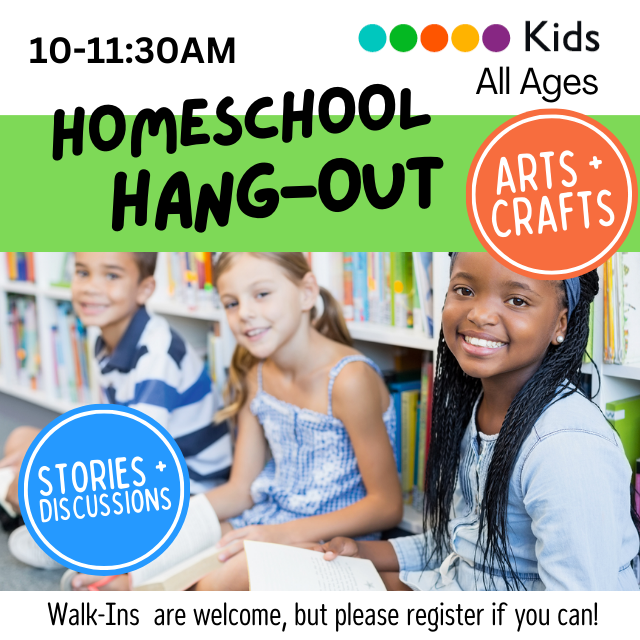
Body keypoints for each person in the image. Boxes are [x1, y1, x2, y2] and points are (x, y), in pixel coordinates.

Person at [69, 251, 402, 590]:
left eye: (261, 294)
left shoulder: (349, 379)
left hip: (328, 537)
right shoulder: (254, 375)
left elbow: (387, 506)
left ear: (306, 292)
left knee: (221, 579)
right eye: (231, 303)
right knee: (159, 554)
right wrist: (162, 526)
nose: (245, 314)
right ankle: (122, 581)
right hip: (266, 518)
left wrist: (276, 535)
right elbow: (241, 490)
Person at [318, 252, 640, 591]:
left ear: (560, 324)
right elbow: (465, 543)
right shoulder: (480, 406)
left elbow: (581, 614)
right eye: (464, 290)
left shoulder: (566, 447)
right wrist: (362, 551)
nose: (480, 314)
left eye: (517, 300)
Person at [1, 252, 232, 568]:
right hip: (140, 463)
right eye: (82, 273)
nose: (91, 288)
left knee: (27, 493)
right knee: (21, 438)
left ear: (144, 288)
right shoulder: (107, 340)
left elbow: (137, 453)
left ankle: (69, 536)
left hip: (187, 486)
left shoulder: (157, 355)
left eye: (111, 276)